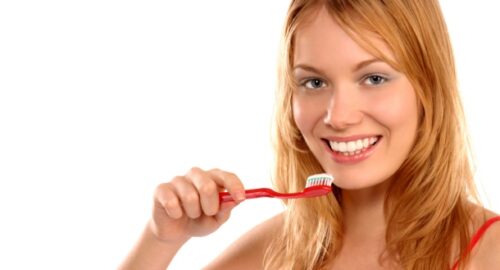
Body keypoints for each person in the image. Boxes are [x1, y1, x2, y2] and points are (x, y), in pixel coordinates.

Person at [119, 0, 500, 269]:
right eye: (314, 82)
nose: (339, 116)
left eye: (374, 78)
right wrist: (161, 240)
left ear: (428, 88)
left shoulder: (490, 251)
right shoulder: (276, 250)